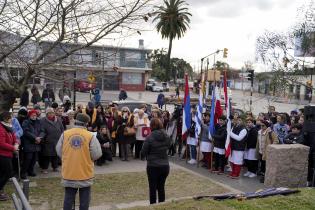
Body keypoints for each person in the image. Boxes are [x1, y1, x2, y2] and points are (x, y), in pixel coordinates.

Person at [56, 113, 102, 210]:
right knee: (84, 201)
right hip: (85, 173)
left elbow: (59, 151)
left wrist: (68, 158)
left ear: (75, 121)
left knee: (68, 199)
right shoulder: (90, 136)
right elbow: (97, 154)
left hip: (69, 172)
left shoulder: (65, 134)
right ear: (86, 124)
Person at [141, 118, 171, 205]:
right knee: (161, 186)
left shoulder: (149, 137)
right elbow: (170, 145)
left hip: (153, 166)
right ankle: (161, 205)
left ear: (151, 126)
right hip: (164, 165)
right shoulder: (166, 136)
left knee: (153, 187)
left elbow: (143, 152)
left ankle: (153, 205)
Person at [0, 111, 19, 201]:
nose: (12, 119)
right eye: (11, 117)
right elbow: (1, 143)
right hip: (2, 155)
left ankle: (1, 190)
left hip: (8, 154)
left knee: (4, 173)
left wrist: (17, 143)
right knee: (7, 173)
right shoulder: (1, 128)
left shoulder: (8, 127)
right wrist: (13, 148)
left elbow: (14, 136)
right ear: (5, 118)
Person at [39, 108, 64, 173]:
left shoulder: (58, 119)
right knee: (47, 155)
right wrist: (42, 137)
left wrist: (63, 136)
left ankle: (55, 167)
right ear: (47, 114)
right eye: (49, 113)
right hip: (47, 141)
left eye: (52, 112)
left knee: (56, 155)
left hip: (57, 140)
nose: (51, 114)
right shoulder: (42, 120)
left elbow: (62, 128)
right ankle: (44, 168)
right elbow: (42, 130)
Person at [21, 110, 41, 179]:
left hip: (37, 143)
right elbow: (26, 132)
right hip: (29, 143)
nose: (34, 116)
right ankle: (23, 172)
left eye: (35, 115)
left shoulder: (38, 122)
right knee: (28, 159)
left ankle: (30, 171)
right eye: (32, 115)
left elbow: (42, 130)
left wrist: (40, 138)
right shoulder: (26, 122)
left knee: (34, 159)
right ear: (29, 115)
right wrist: (35, 138)